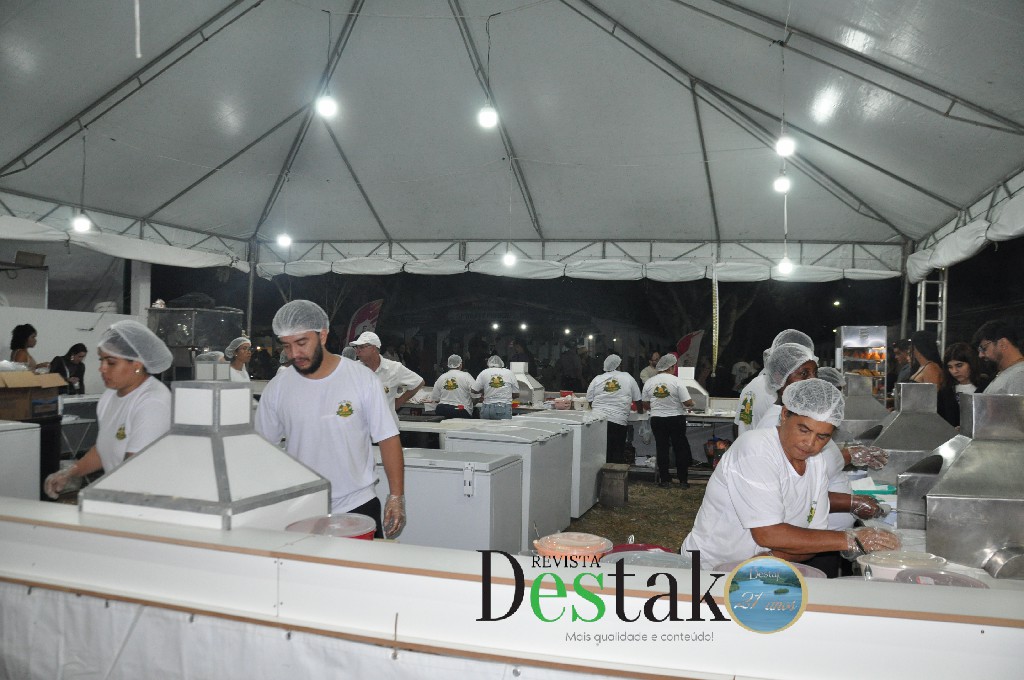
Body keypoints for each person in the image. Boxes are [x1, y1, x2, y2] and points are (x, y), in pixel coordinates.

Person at [682, 379, 900, 569]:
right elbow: (768, 533)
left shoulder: (816, 463)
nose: (810, 443)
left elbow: (811, 538)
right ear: (784, 415)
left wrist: (769, 560)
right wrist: (850, 539)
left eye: (822, 437)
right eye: (804, 430)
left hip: (756, 571)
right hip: (709, 568)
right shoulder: (756, 450)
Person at [255, 300, 406, 538]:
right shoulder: (278, 388)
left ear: (322, 335)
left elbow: (388, 438)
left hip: (357, 505)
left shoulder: (361, 379)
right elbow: (262, 448)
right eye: (286, 346)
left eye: (301, 343)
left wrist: (396, 496)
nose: (294, 354)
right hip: (301, 508)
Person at [43, 321, 173, 498]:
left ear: (136, 365)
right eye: (101, 360)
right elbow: (104, 449)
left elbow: (135, 467)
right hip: (123, 497)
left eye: (111, 362)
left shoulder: (152, 402)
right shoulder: (109, 396)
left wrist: (99, 496)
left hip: (149, 500)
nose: (102, 368)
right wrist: (70, 473)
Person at [734, 329, 815, 439]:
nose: (812, 379)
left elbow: (737, 425)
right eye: (804, 373)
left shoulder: (752, 385)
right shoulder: (781, 393)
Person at [641, 353, 695, 489]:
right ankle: (683, 481)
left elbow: (645, 404)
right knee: (680, 449)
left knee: (662, 449)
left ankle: (664, 480)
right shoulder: (676, 381)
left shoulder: (649, 382)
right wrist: (692, 403)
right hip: (676, 419)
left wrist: (657, 406)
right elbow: (687, 402)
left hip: (657, 419)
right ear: (671, 367)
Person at [351, 331, 424, 425]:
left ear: (373, 348)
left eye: (361, 347)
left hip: (387, 426)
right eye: (356, 347)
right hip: (362, 426)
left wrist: (398, 402)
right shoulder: (353, 369)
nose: (357, 351)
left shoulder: (394, 368)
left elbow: (418, 382)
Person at [586, 353, 642, 464]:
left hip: (598, 421)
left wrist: (598, 410)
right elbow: (638, 399)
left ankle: (601, 473)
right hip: (618, 421)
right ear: (619, 365)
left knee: (601, 453)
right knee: (617, 453)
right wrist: (641, 411)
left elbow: (589, 399)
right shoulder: (627, 377)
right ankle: (614, 473)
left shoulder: (597, 379)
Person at [974, 319, 1024, 395]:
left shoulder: (1019, 375)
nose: (980, 355)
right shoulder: (1009, 372)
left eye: (984, 348)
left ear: (1002, 344)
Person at [474, 355, 519, 420]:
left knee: (485, 426)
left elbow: (474, 390)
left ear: (488, 363)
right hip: (503, 407)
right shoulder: (509, 373)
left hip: (486, 408)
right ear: (501, 363)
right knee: (503, 426)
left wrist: (484, 392)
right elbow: (516, 394)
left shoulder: (484, 372)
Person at [431, 354, 476, 418]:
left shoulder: (441, 377)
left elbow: (435, 398)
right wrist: (473, 403)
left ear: (448, 365)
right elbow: (476, 393)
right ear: (460, 365)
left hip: (442, 409)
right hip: (460, 409)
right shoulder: (466, 376)